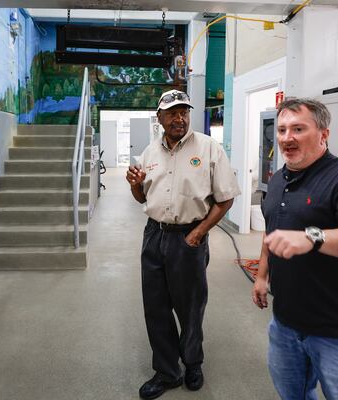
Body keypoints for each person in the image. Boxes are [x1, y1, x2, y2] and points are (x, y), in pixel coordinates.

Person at [251, 98, 338, 400]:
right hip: (286, 322)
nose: (287, 138)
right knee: (293, 394)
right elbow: (272, 230)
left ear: (323, 134)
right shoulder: (277, 180)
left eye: (299, 129)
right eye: (283, 129)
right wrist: (262, 276)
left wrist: (313, 237)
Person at [126, 89, 240, 399]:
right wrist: (135, 184)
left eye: (184, 111)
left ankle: (192, 363)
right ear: (159, 117)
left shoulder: (209, 148)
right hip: (154, 236)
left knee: (190, 307)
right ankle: (167, 371)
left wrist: (199, 232)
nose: (179, 117)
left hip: (189, 237)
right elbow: (142, 198)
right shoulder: (149, 153)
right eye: (172, 112)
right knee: (156, 307)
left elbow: (226, 198)